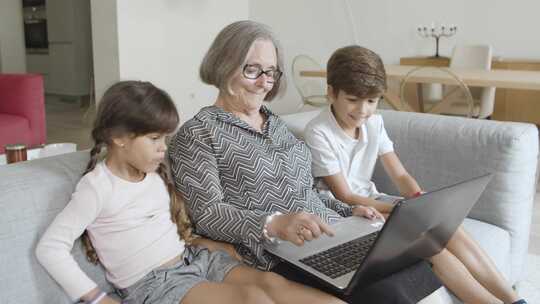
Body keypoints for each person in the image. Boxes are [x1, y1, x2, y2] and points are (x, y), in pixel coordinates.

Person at [169, 20, 443, 304]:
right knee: (389, 292)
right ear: (224, 65)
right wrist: (274, 223)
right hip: (276, 253)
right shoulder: (198, 133)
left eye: (271, 72)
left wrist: (350, 210)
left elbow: (306, 194)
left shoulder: (275, 124)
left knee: (412, 267)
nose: (264, 81)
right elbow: (208, 214)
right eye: (252, 70)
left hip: (331, 234)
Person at [35, 81, 343, 304]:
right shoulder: (97, 187)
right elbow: (50, 248)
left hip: (194, 259)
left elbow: (161, 225)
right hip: (153, 285)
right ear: (118, 137)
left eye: (164, 138)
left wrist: (201, 242)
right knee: (253, 299)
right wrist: (97, 298)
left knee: (275, 284)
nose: (163, 148)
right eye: (155, 138)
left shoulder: (153, 173)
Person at [303, 45, 528, 304]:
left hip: (376, 203)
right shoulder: (319, 131)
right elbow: (345, 195)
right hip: (345, 214)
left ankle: (514, 300)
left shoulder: (373, 122)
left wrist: (418, 198)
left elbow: (400, 175)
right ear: (331, 92)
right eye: (353, 100)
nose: (362, 110)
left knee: (449, 228)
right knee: (432, 246)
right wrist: (403, 208)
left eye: (371, 101)